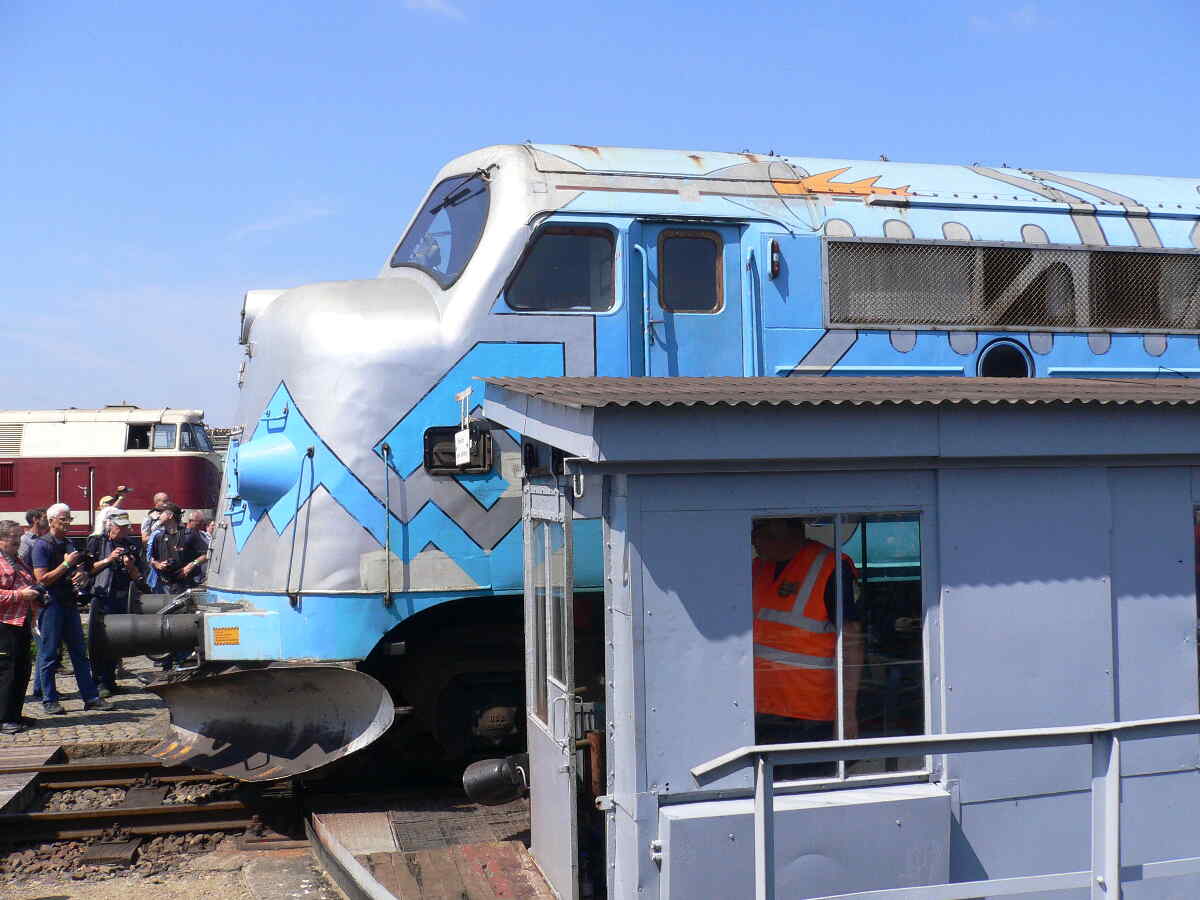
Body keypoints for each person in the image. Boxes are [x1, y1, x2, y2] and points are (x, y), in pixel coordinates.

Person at [752, 518, 863, 776]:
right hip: (759, 710)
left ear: (787, 531)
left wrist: (847, 712)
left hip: (809, 716)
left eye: (760, 532)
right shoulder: (757, 567)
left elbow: (852, 641)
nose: (753, 540)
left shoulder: (831, 567)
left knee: (807, 790)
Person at [31, 503, 110, 715]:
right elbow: (42, 579)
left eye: (69, 519)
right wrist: (66, 565)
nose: (68, 523)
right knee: (49, 655)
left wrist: (81, 573)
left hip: (68, 602)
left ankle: (91, 698)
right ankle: (49, 699)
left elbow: (78, 568)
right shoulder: (41, 546)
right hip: (51, 604)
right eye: (63, 519)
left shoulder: (68, 543)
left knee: (79, 653)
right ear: (51, 521)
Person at [85, 511, 146, 697]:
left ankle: (110, 680)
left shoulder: (130, 545)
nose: (125, 530)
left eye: (126, 526)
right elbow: (88, 570)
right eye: (121, 527)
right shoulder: (97, 542)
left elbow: (138, 576)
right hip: (102, 596)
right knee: (100, 640)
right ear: (110, 526)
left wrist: (130, 567)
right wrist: (109, 559)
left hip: (122, 597)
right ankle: (99, 682)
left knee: (117, 640)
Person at [0, 520, 42, 734]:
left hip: (21, 621)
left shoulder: (18, 560)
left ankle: (14, 714)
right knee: (6, 671)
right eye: (14, 537)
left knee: (22, 669)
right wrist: (20, 595)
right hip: (4, 624)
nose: (18, 541)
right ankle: (3, 719)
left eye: (19, 536)